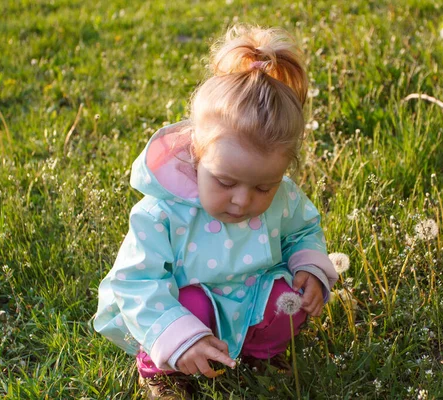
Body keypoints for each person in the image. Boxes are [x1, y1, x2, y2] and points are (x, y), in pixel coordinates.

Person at [94, 25, 337, 399]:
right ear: (195, 154)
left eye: (263, 187)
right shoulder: (162, 213)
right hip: (188, 304)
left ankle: (258, 354)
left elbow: (302, 231)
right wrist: (176, 334)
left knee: (289, 300)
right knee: (188, 306)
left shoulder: (284, 197)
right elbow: (136, 283)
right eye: (225, 182)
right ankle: (161, 370)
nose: (242, 200)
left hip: (251, 297)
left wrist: (309, 267)